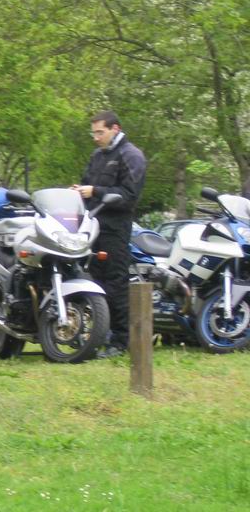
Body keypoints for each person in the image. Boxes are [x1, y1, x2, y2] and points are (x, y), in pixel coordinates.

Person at [73, 111, 146, 358]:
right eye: (93, 133)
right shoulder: (97, 156)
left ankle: (121, 341)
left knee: (116, 284)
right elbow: (87, 184)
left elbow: (129, 196)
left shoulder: (131, 155)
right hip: (92, 228)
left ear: (115, 129)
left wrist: (95, 191)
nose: (95, 138)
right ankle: (99, 336)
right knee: (95, 283)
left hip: (115, 229)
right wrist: (78, 191)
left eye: (100, 132)